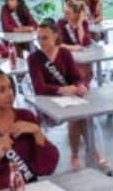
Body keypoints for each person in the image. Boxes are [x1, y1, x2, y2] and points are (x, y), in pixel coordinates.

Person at [28, 19, 102, 171]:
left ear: (55, 36)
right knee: (77, 116)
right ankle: (87, 153)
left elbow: (77, 77)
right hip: (48, 105)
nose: (41, 42)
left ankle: (81, 155)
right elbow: (39, 88)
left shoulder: (64, 53)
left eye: (45, 38)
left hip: (69, 99)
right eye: (39, 38)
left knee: (80, 115)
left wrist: (81, 86)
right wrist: (63, 90)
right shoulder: (34, 58)